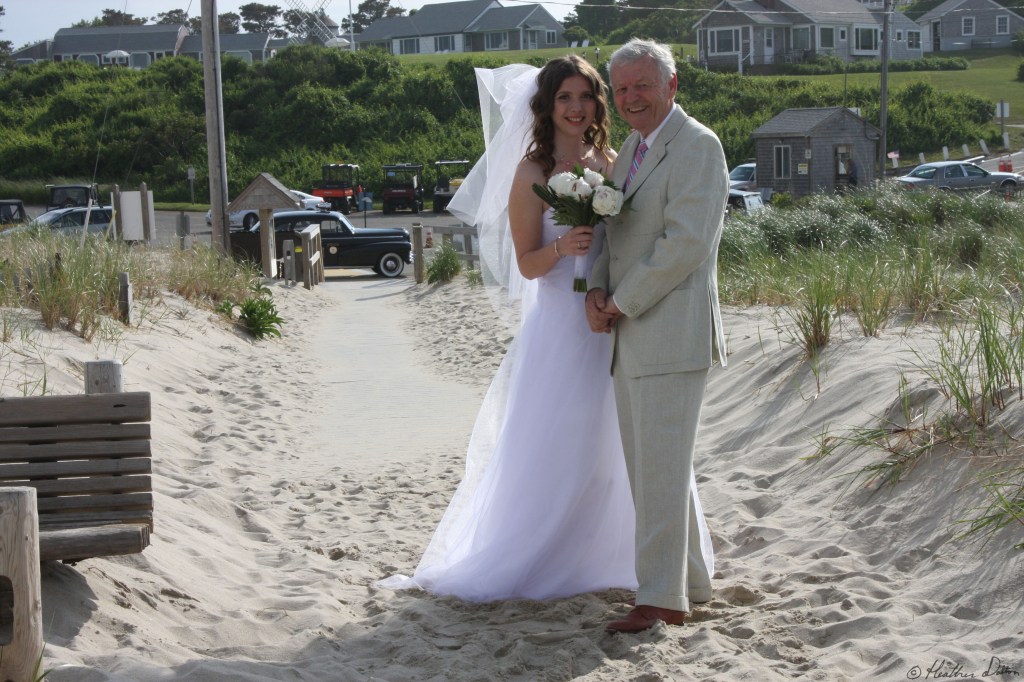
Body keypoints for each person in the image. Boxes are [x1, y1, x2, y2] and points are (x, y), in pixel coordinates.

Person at [377, 55, 714, 602]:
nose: (576, 108)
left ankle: (632, 561)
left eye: (585, 97)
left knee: (621, 447)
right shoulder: (531, 172)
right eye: (564, 98)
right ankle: (545, 556)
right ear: (547, 107)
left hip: (616, 320)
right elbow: (528, 263)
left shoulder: (616, 160)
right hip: (560, 324)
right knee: (558, 446)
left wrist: (614, 292)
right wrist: (563, 246)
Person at [585, 39, 729, 633]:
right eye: (621, 89)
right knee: (654, 468)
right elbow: (614, 231)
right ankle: (688, 583)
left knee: (661, 471)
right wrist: (593, 289)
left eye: (642, 85)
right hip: (632, 335)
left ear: (672, 86)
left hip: (671, 332)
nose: (630, 98)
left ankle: (661, 599)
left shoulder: (697, 145)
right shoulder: (633, 153)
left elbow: (687, 243)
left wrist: (621, 299)